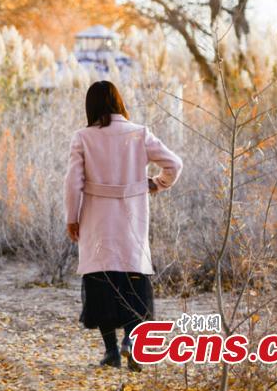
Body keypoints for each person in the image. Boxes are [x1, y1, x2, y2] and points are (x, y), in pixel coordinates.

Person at [64, 80, 183, 372]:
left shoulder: (83, 137)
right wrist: (156, 184)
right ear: (119, 102)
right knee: (133, 281)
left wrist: (72, 217)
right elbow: (174, 164)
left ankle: (111, 354)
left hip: (97, 221)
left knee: (101, 282)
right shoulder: (138, 134)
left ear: (91, 105)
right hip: (131, 220)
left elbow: (72, 182)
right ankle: (131, 343)